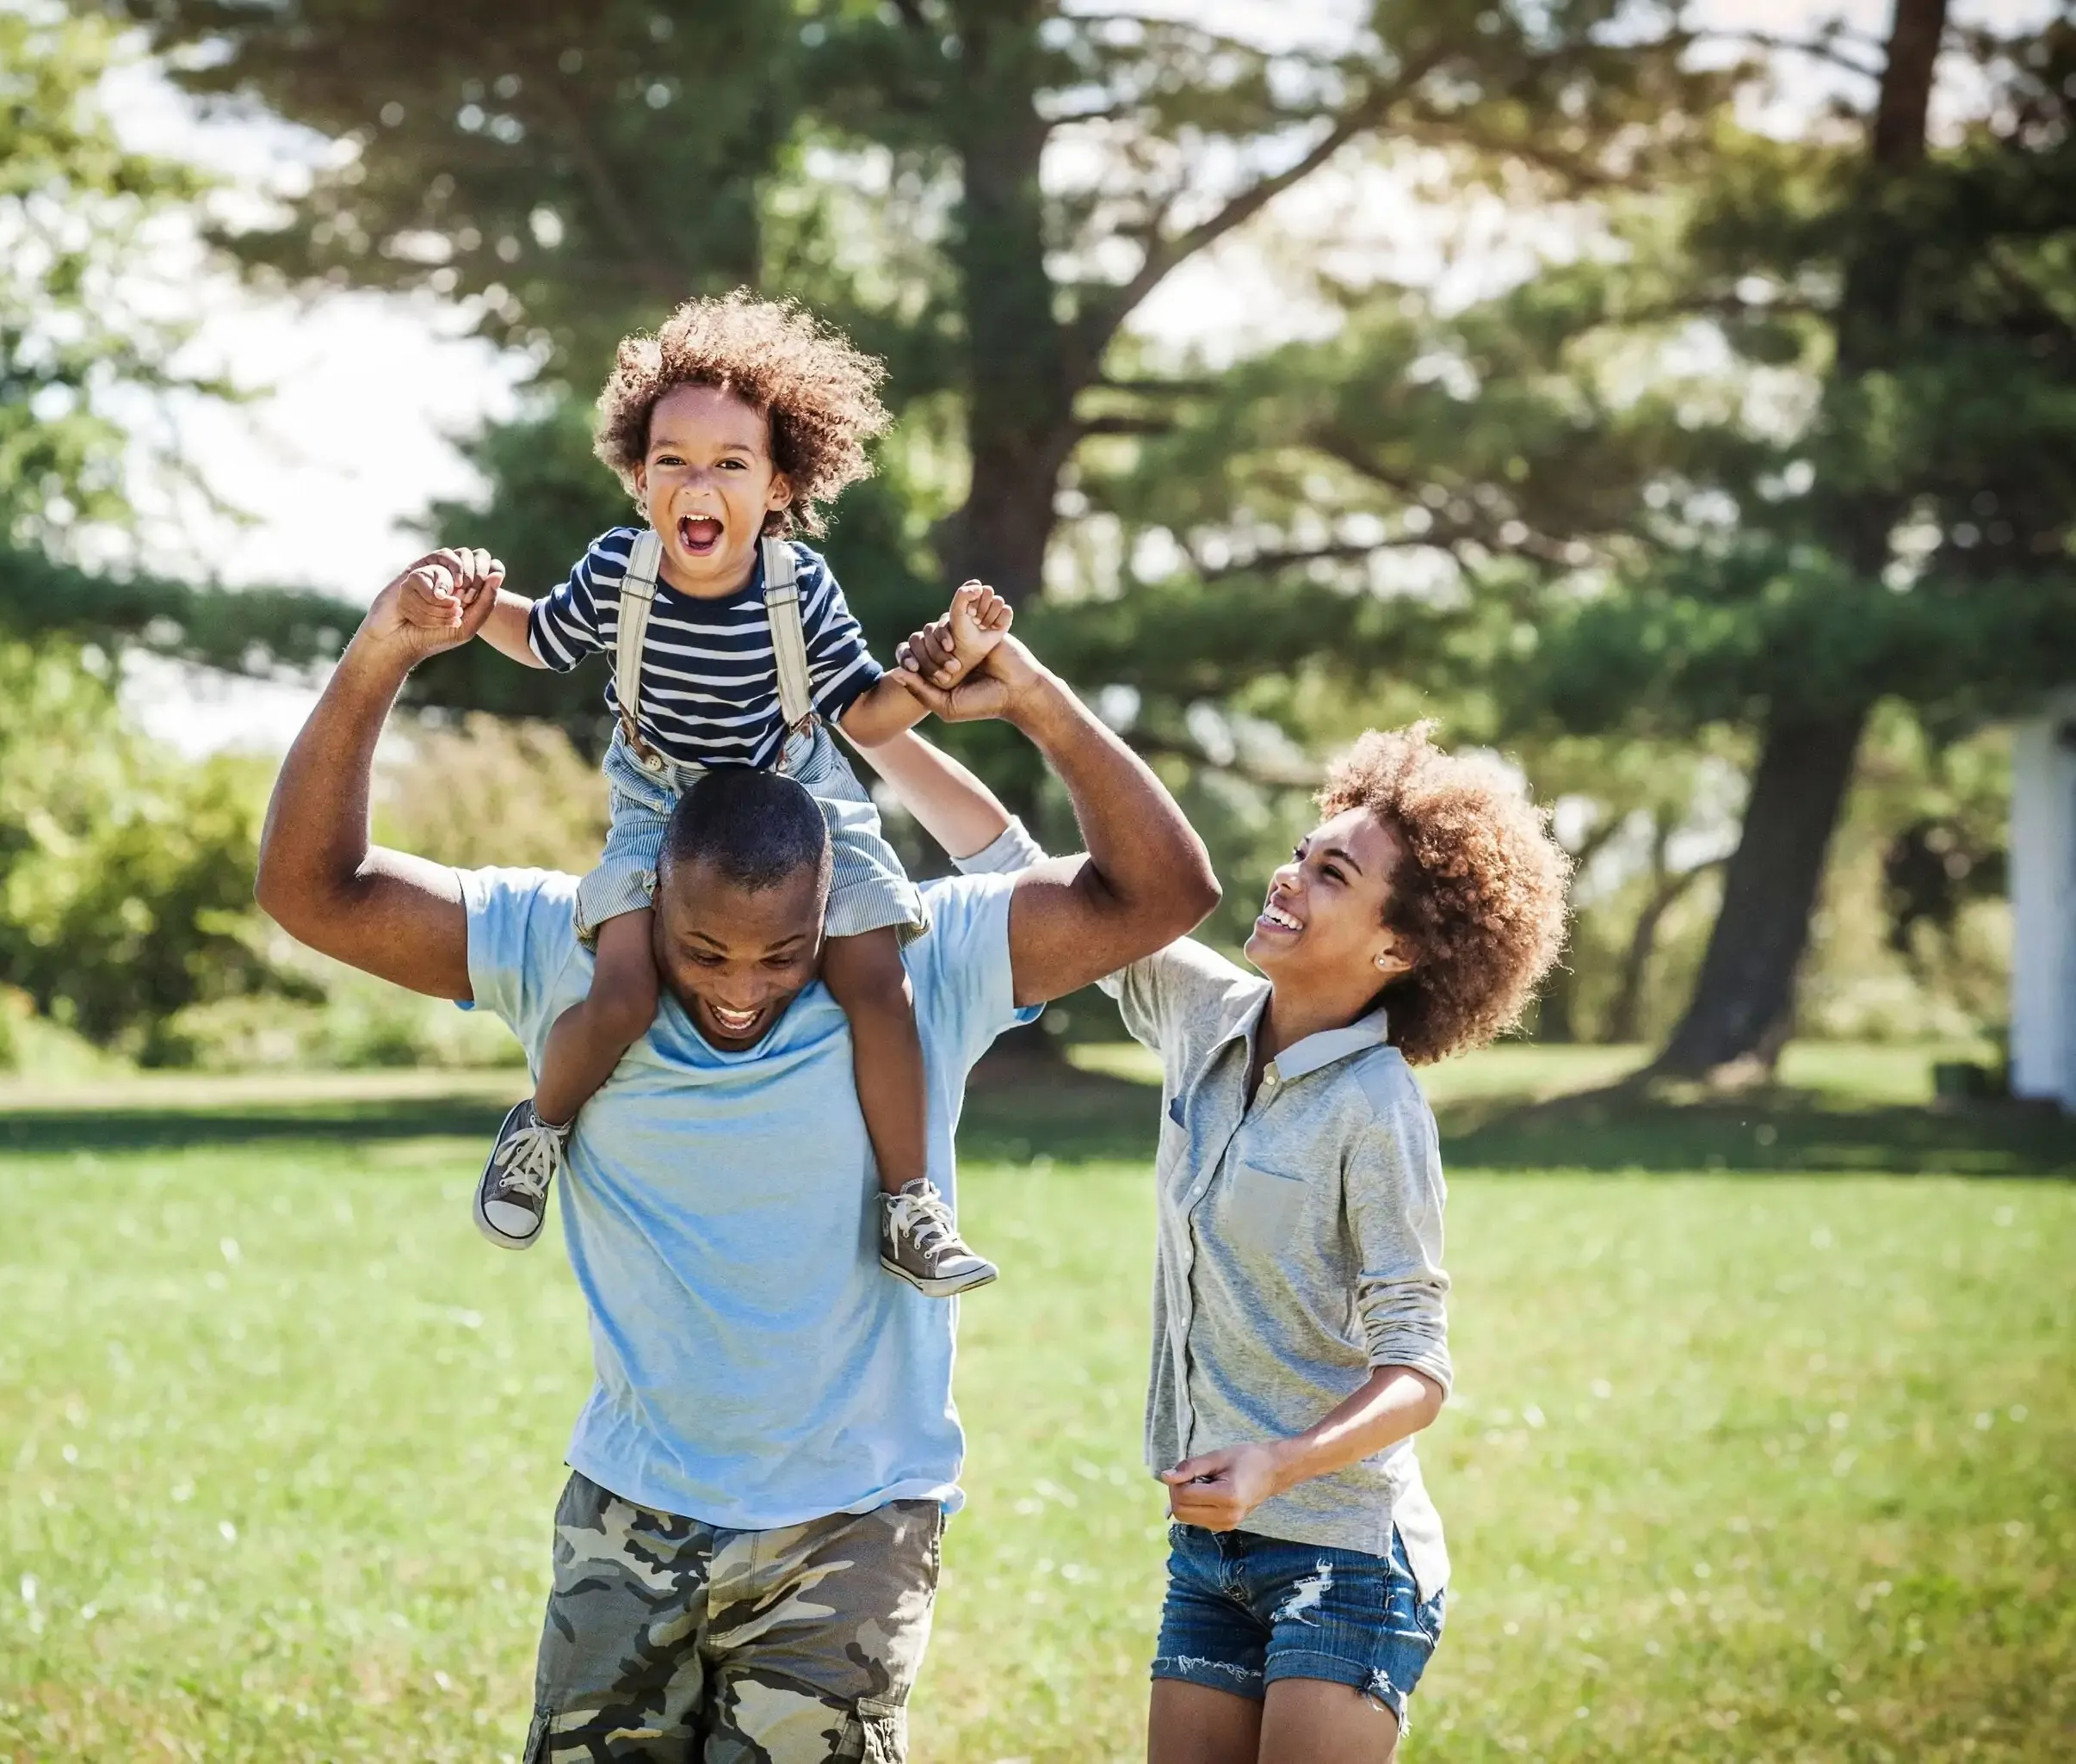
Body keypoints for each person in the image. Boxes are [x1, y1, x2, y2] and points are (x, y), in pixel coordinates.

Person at [253, 552, 1220, 1762]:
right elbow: (311, 888)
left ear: (837, 910)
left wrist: (1027, 692)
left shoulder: (927, 952)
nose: (741, 993)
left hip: (848, 1530)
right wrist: (381, 653)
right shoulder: (563, 944)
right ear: (646, 894)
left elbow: (1164, 890)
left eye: (787, 955)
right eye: (702, 950)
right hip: (628, 1514)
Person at [454, 290, 1014, 1296]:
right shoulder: (618, 573)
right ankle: (538, 1126)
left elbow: (861, 717)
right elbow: (540, 638)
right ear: (638, 476)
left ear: (779, 482)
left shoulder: (799, 590)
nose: (696, 483)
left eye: (729, 464)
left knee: (879, 984)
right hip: (658, 804)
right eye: (671, 460)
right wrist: (471, 600)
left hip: (799, 798)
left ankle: (910, 1204)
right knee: (623, 989)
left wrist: (938, 672)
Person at [1105, 725, 1571, 1764]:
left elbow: (1420, 1369)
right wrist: (909, 722)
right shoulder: (1204, 1014)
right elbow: (1020, 874)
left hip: (1350, 1559)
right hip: (1211, 1552)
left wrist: (1279, 1461)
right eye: (1303, 850)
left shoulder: (1379, 1108)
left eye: (1332, 873)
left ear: (1395, 949)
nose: (1288, 877)